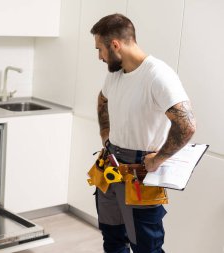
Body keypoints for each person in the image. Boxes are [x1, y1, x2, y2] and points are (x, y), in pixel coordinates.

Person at [90, 13, 196, 253]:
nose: (99, 56)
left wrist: (158, 159)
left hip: (140, 171)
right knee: (112, 238)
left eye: (100, 49)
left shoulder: (158, 74)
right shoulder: (115, 74)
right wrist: (105, 133)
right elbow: (102, 99)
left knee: (146, 246)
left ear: (115, 44)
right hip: (110, 164)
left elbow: (186, 125)